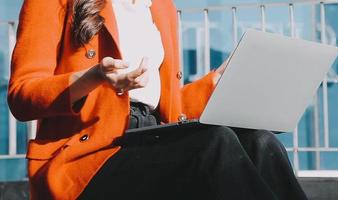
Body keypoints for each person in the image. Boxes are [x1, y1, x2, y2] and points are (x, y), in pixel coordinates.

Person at [8, 0, 307, 199]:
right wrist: (95, 77)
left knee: (260, 141)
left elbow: (166, 105)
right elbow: (23, 95)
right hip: (87, 156)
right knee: (216, 142)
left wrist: (215, 83)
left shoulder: (160, 6)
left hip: (151, 135)